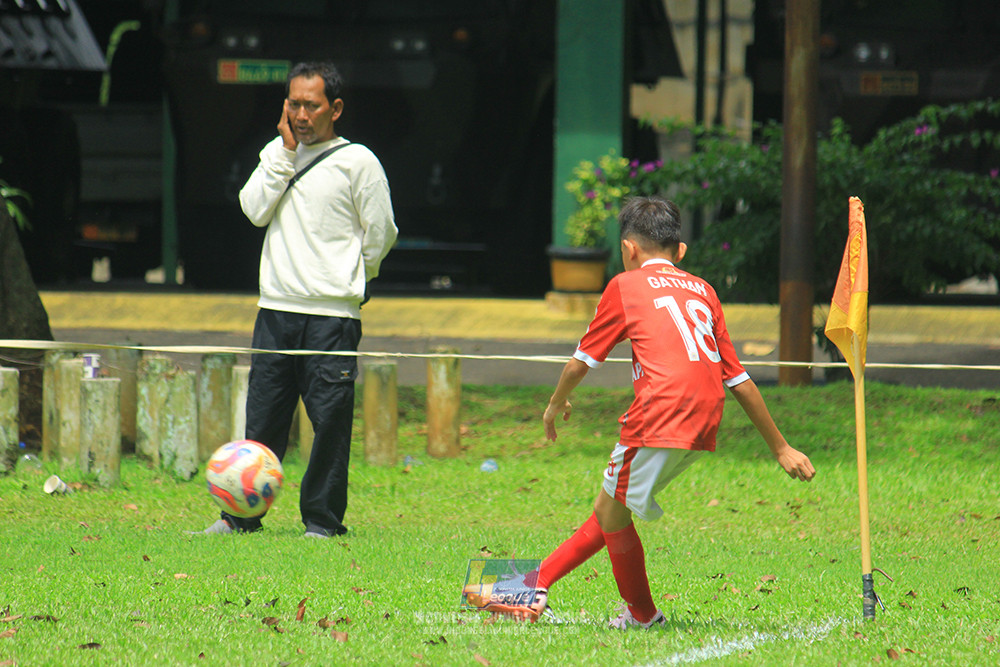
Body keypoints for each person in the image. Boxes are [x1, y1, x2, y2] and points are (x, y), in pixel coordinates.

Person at [470, 196, 815, 627]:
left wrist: (556, 403)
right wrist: (780, 447)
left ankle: (611, 606)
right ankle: (557, 586)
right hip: (705, 418)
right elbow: (739, 379)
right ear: (680, 251)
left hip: (660, 415)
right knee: (611, 509)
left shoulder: (625, 285)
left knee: (611, 510)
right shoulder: (704, 291)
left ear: (629, 249)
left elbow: (581, 361)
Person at [197, 61, 397, 538]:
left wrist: (354, 276)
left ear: (336, 108)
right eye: (294, 104)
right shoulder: (276, 154)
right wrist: (283, 155)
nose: (301, 114)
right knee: (262, 418)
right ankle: (239, 518)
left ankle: (322, 521)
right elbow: (253, 210)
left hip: (332, 317)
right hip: (275, 310)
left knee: (329, 423)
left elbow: (381, 233)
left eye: (312, 104)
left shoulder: (359, 162)